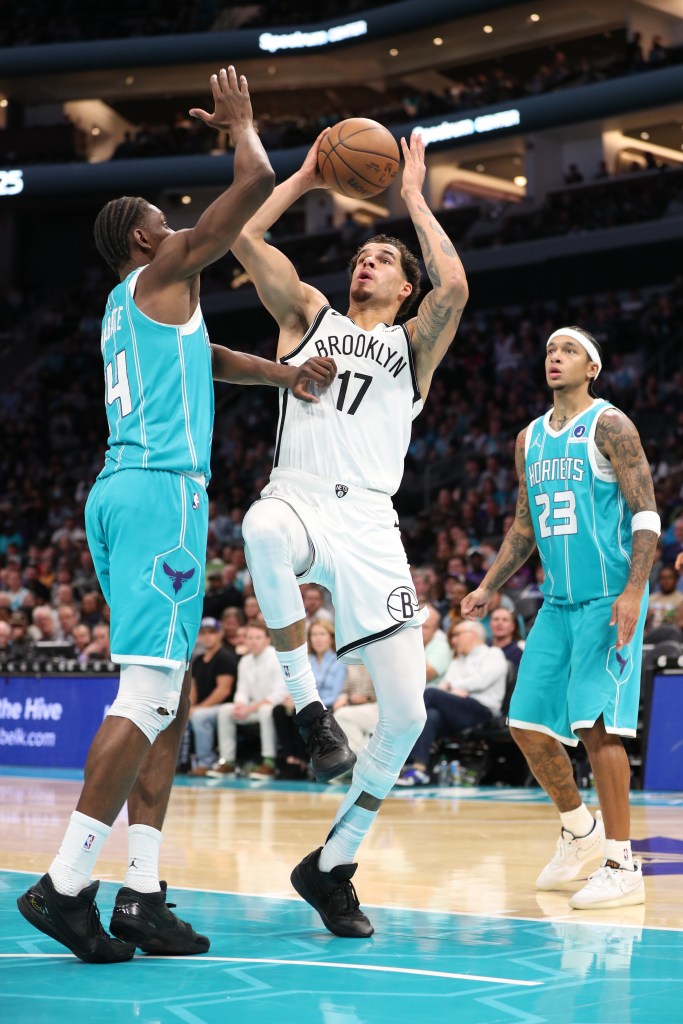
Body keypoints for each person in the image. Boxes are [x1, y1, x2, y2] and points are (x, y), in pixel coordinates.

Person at [17, 66, 336, 964]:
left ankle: (143, 893)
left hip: (132, 492)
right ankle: (66, 884)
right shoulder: (161, 267)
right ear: (145, 237)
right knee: (151, 691)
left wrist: (280, 373)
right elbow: (255, 185)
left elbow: (210, 356)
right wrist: (240, 126)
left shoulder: (144, 308)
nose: (179, 225)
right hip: (160, 493)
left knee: (174, 690)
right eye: (166, 220)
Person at [231, 127, 468, 936]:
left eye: (384, 260)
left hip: (370, 521)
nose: (365, 263)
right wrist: (301, 176)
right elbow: (243, 235)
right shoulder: (308, 314)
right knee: (260, 529)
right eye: (361, 255)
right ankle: (308, 712)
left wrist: (409, 199)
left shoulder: (412, 347)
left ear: (404, 289)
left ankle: (331, 866)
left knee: (405, 716)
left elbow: (457, 287)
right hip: (299, 496)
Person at [461, 326, 659, 910]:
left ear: (591, 367)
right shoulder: (528, 439)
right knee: (525, 725)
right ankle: (580, 831)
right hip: (557, 602)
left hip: (608, 597)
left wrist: (634, 591)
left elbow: (646, 512)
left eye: (568, 350)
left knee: (598, 729)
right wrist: (489, 586)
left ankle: (623, 862)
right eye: (549, 350)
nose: (554, 357)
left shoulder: (611, 425)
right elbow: (524, 526)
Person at [396, 620, 507, 786]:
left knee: (430, 694)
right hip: (457, 710)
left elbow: (482, 680)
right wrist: (454, 689)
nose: (453, 640)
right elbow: (444, 686)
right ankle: (419, 769)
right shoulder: (457, 660)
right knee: (432, 716)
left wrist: (456, 687)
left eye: (457, 635)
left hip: (481, 710)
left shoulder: (493, 654)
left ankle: (398, 751)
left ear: (473, 635)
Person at [211, 621, 287, 779]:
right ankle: (228, 762)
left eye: (258, 637)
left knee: (266, 711)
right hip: (253, 708)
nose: (253, 641)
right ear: (245, 640)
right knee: (225, 710)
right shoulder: (245, 661)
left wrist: (249, 709)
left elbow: (278, 694)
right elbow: (242, 691)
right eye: (250, 637)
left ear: (267, 639)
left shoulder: (276, 657)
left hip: (275, 707)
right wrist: (240, 705)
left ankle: (269, 762)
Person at [273, 619, 347, 777]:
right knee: (278, 710)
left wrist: (307, 701)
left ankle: (301, 760)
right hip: (304, 702)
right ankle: (288, 756)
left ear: (331, 637)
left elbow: (335, 694)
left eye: (322, 634)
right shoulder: (307, 661)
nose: (318, 639)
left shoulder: (338, 661)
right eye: (314, 635)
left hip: (326, 705)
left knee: (301, 712)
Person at [186, 617, 237, 776]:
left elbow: (224, 691)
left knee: (200, 716)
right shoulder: (199, 660)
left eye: (211, 633)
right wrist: (190, 708)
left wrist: (197, 709)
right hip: (204, 707)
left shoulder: (225, 657)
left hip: (225, 707)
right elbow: (193, 690)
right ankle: (181, 763)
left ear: (220, 634)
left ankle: (205, 762)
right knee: (181, 716)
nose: (207, 636)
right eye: (203, 633)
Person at [422, 602, 452, 686]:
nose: (420, 630)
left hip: (428, 696)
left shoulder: (442, 648)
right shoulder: (408, 643)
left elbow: (424, 675)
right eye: (418, 626)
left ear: (435, 630)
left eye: (425, 627)